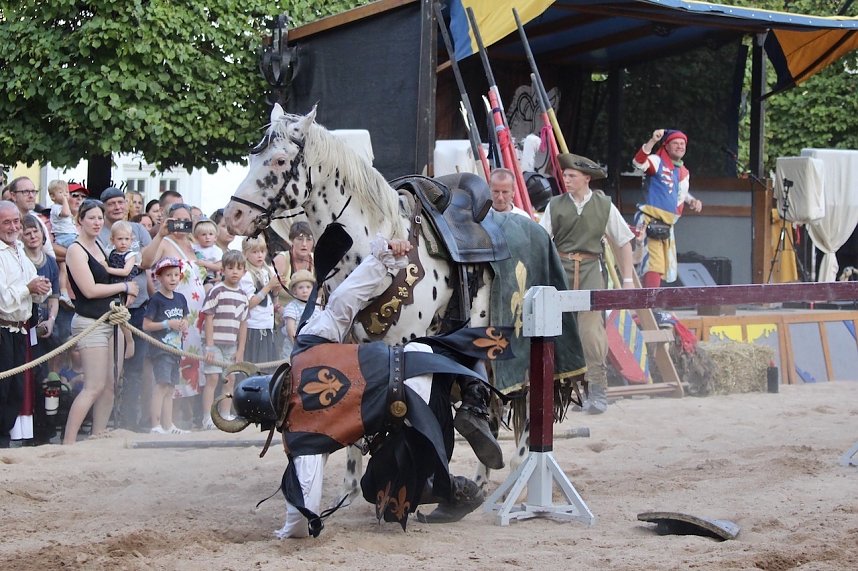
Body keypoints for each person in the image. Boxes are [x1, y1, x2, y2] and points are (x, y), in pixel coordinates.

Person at [263, 234, 509, 537]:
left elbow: (305, 509)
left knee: (381, 493)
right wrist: (383, 258)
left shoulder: (302, 439)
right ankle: (474, 402)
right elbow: (346, 299)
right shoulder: (306, 345)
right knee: (461, 345)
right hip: (424, 360)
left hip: (415, 419)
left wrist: (290, 529)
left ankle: (446, 486)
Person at [539, 153, 635, 414]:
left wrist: (627, 281)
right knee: (556, 333)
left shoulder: (604, 206)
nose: (566, 180)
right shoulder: (555, 205)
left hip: (592, 271)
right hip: (560, 272)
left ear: (586, 179)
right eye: (565, 175)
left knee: (591, 333)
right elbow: (541, 241)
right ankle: (564, 393)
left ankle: (598, 391)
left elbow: (624, 241)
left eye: (572, 176)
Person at [63, 200, 139, 444]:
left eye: (99, 218)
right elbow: (89, 289)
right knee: (93, 386)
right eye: (91, 218)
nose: (97, 222)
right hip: (89, 321)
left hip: (110, 320)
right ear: (80, 221)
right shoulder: (76, 250)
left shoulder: (100, 245)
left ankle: (97, 435)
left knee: (109, 384)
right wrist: (125, 285)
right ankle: (68, 442)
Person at [98, 187, 158, 431]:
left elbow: (145, 261)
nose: (117, 206)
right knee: (109, 370)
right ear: (104, 207)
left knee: (135, 368)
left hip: (140, 306)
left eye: (120, 202)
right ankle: (104, 423)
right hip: (109, 308)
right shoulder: (99, 232)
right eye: (111, 203)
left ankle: (129, 422)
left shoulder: (139, 229)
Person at [0, 201, 52, 448]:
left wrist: (41, 288)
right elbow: (3, 299)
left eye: (16, 221)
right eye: (6, 222)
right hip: (2, 328)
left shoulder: (19, 249)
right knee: (2, 388)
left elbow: (32, 285)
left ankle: (5, 438)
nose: (13, 227)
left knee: (16, 389)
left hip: (20, 328)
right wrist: (28, 288)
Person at [148, 202, 206, 401]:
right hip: (172, 313)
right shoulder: (165, 242)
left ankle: (188, 416)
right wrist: (160, 235)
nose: (182, 224)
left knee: (193, 363)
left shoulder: (192, 245)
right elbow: (145, 263)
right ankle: (168, 417)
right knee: (174, 365)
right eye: (177, 220)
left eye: (186, 220)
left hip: (195, 316)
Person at [632, 129, 703, 288]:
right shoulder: (657, 161)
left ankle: (648, 306)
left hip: (666, 225)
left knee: (663, 267)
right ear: (666, 146)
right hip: (649, 220)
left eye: (682, 143)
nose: (680, 146)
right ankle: (647, 307)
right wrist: (652, 141)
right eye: (675, 143)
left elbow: (681, 193)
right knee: (652, 265)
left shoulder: (683, 171)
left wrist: (692, 201)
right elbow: (638, 162)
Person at [201, 250, 249, 430]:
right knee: (212, 378)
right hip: (215, 343)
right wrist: (210, 346)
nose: (234, 272)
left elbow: (244, 323)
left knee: (230, 380)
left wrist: (241, 350)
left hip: (232, 345)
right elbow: (208, 317)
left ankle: (225, 414)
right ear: (223, 270)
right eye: (230, 268)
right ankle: (207, 417)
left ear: (244, 271)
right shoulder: (217, 291)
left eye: (239, 268)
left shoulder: (243, 295)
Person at [143, 257, 190, 435]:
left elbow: (185, 317)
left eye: (176, 275)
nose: (172, 279)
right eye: (168, 275)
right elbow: (146, 325)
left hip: (176, 349)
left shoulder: (180, 298)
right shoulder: (156, 299)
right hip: (161, 349)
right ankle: (155, 425)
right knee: (161, 384)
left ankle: (168, 424)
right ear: (159, 278)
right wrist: (166, 324)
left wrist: (184, 323)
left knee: (170, 388)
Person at [240, 235, 281, 369]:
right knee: (256, 367)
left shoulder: (267, 270)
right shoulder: (245, 274)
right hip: (254, 328)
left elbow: (273, 300)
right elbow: (250, 303)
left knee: (269, 368)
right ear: (246, 254)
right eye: (255, 252)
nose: (259, 255)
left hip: (268, 326)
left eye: (262, 251)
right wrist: (268, 286)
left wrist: (276, 291)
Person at [7, 177, 55, 259]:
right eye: (26, 192)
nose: (31, 196)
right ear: (13, 196)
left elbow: (49, 252)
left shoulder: (38, 221)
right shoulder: (5, 223)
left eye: (33, 191)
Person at [281, 269, 321, 358]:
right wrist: (298, 346)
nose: (305, 291)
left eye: (308, 287)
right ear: (294, 291)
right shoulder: (292, 307)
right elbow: (290, 330)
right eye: (301, 287)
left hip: (313, 346)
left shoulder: (316, 307)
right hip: (295, 348)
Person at [192, 219, 222, 289]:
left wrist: (205, 264)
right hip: (194, 276)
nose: (207, 237)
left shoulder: (216, 250)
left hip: (208, 277)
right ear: (196, 237)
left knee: (209, 288)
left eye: (211, 234)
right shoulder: (193, 248)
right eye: (203, 234)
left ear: (215, 237)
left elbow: (219, 267)